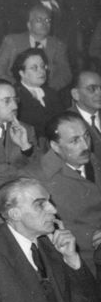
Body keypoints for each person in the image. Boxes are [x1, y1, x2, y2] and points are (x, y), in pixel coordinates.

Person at [21, 111, 101, 265]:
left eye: (86, 136)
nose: (85, 146)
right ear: (55, 146)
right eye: (74, 141)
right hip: (78, 258)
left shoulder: (94, 160)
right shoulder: (37, 177)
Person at [0, 4, 73, 93]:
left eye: (47, 20)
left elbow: (65, 74)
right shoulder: (12, 41)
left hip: (48, 93)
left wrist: (45, 89)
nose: (44, 23)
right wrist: (20, 89)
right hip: (16, 92)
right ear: (29, 25)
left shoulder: (58, 45)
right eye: (39, 20)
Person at [10, 47, 67, 140]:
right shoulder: (15, 96)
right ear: (22, 73)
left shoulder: (51, 93)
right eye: (34, 68)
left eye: (42, 66)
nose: (41, 71)